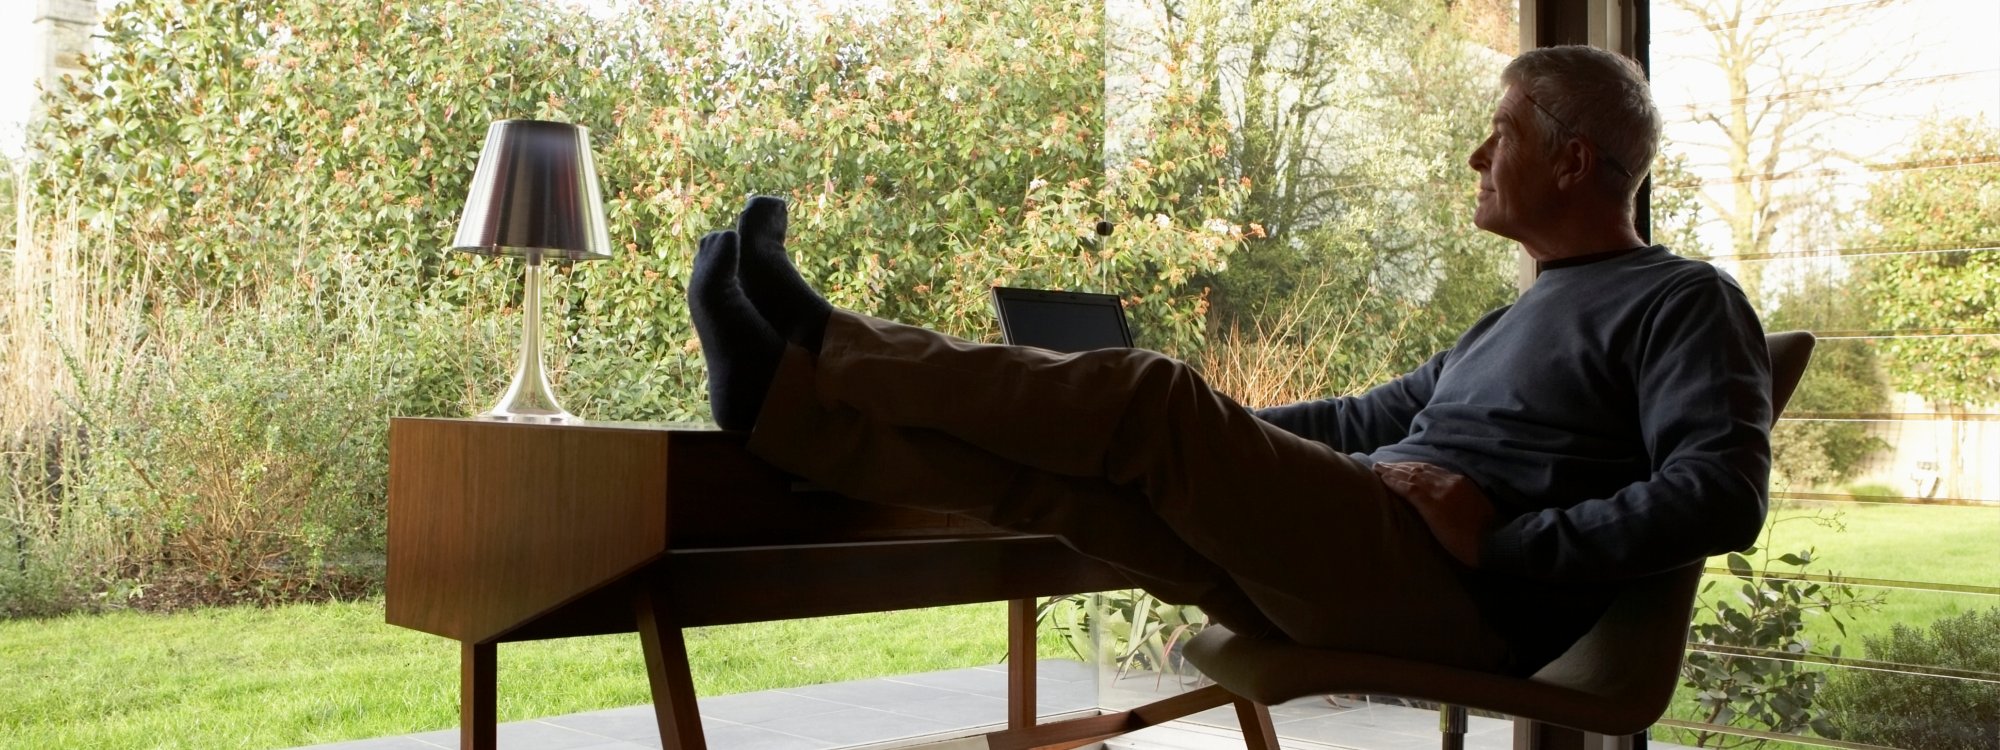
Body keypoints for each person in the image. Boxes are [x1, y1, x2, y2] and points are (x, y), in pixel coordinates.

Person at [683, 45, 1772, 677]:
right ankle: (782, 406)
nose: (1478, 156)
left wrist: (1507, 544)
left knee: (1144, 396)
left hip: (1447, 595)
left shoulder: (1681, 301)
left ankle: (822, 338)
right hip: (1370, 550)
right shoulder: (1511, 317)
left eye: (1502, 134)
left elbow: (1719, 493)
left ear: (1572, 161)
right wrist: (1227, 438)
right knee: (1059, 484)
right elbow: (1355, 422)